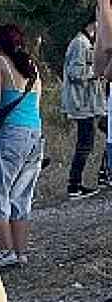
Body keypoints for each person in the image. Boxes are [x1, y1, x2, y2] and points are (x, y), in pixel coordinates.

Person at [0, 24, 45, 269]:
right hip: (35, 133)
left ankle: (5, 251)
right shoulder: (32, 67)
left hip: (9, 135)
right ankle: (21, 251)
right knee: (21, 196)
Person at [61, 17, 104, 199]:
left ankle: (100, 174)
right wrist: (98, 71)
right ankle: (74, 185)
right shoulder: (80, 43)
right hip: (82, 103)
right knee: (85, 144)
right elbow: (75, 72)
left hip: (87, 103)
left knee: (95, 137)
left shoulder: (85, 42)